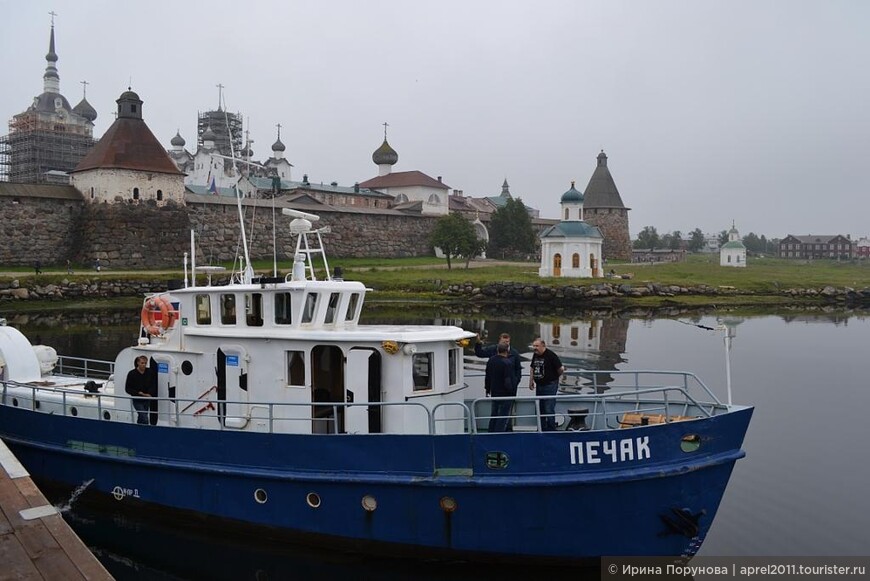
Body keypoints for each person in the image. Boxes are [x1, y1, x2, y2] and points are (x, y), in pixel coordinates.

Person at [529, 338, 565, 431]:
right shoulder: (535, 355)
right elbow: (532, 367)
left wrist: (555, 377)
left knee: (548, 408)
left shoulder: (551, 355)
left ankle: (551, 429)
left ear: (543, 346)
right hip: (539, 385)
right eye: (534, 346)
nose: (535, 348)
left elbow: (561, 369)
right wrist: (531, 380)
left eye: (537, 346)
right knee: (540, 408)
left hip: (550, 385)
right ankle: (541, 428)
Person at [484, 343, 517, 433]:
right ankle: (499, 435)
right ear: (507, 351)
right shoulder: (507, 363)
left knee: (494, 416)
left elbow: (488, 376)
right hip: (505, 395)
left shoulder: (491, 360)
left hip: (494, 393)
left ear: (498, 350)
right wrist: (512, 392)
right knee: (503, 417)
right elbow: (507, 381)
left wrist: (487, 389)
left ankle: (490, 433)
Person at [125, 355, 156, 425]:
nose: (144, 365)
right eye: (142, 363)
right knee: (145, 418)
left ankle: (138, 428)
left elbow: (153, 384)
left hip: (147, 399)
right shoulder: (132, 374)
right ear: (138, 363)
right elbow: (128, 388)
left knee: (141, 416)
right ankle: (146, 430)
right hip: (137, 399)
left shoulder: (149, 372)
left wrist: (150, 393)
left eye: (145, 363)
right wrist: (139, 393)